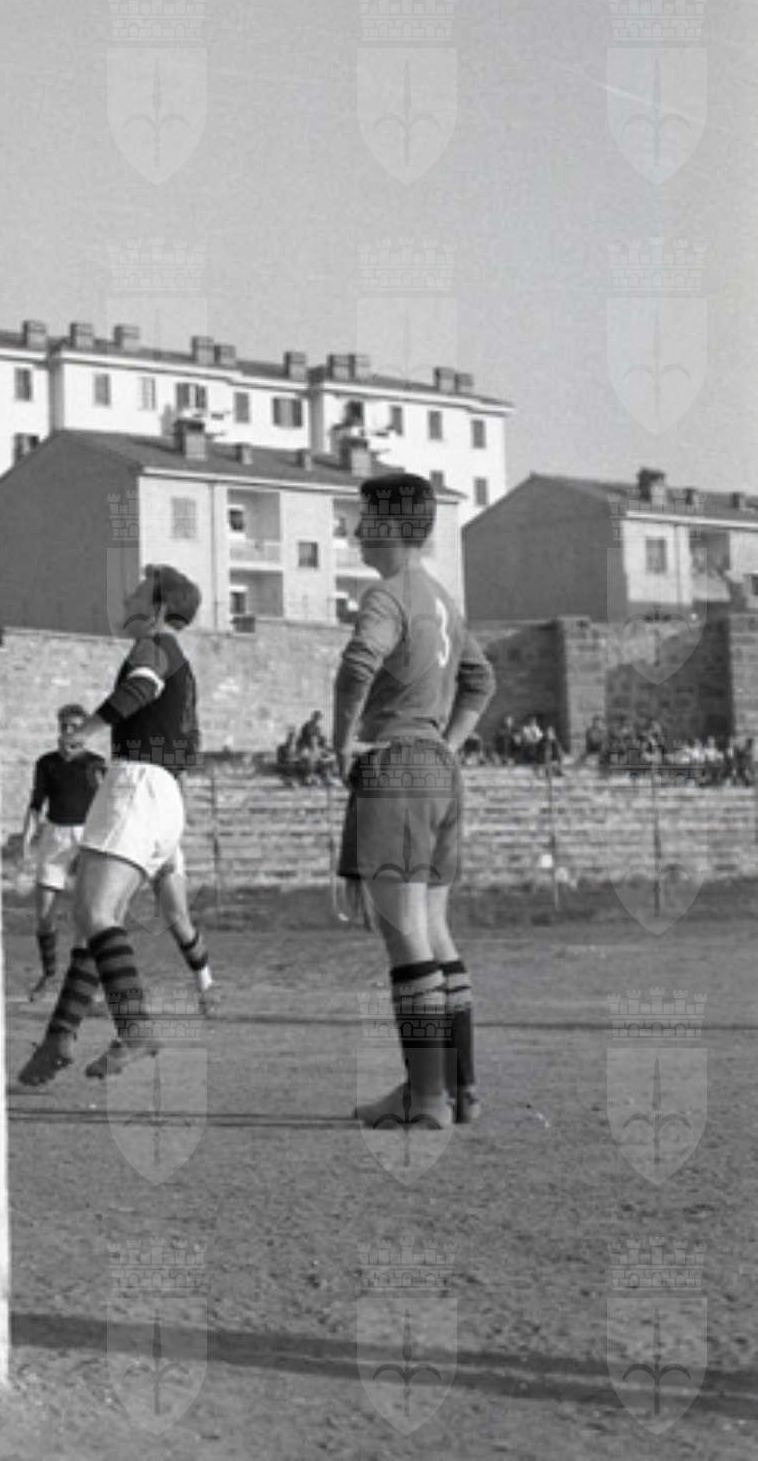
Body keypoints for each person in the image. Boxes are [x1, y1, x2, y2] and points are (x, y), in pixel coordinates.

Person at [333, 473, 495, 1131]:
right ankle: (460, 1090)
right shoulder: (441, 599)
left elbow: (357, 665)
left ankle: (425, 1098)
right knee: (432, 929)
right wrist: (448, 744)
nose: (355, 531)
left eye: (363, 519)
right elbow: (480, 679)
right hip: (438, 772)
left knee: (404, 937)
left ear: (390, 527)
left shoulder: (387, 595)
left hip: (397, 769)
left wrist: (342, 741)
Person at [16, 564, 210, 1087]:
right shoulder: (181, 662)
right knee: (92, 921)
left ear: (160, 607)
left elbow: (140, 688)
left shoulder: (155, 644)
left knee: (95, 913)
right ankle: (60, 1035)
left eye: (138, 591)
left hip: (136, 785)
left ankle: (134, 1026)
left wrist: (86, 730)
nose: (127, 597)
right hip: (162, 794)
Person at [20, 706, 107, 999]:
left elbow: (106, 806)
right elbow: (36, 804)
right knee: (44, 914)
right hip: (55, 836)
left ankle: (85, 981)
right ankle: (49, 976)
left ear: (85, 731)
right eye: (64, 726)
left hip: (87, 837)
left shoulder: (96, 764)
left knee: (88, 913)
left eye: (75, 726)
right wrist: (26, 838)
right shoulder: (46, 763)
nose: (69, 731)